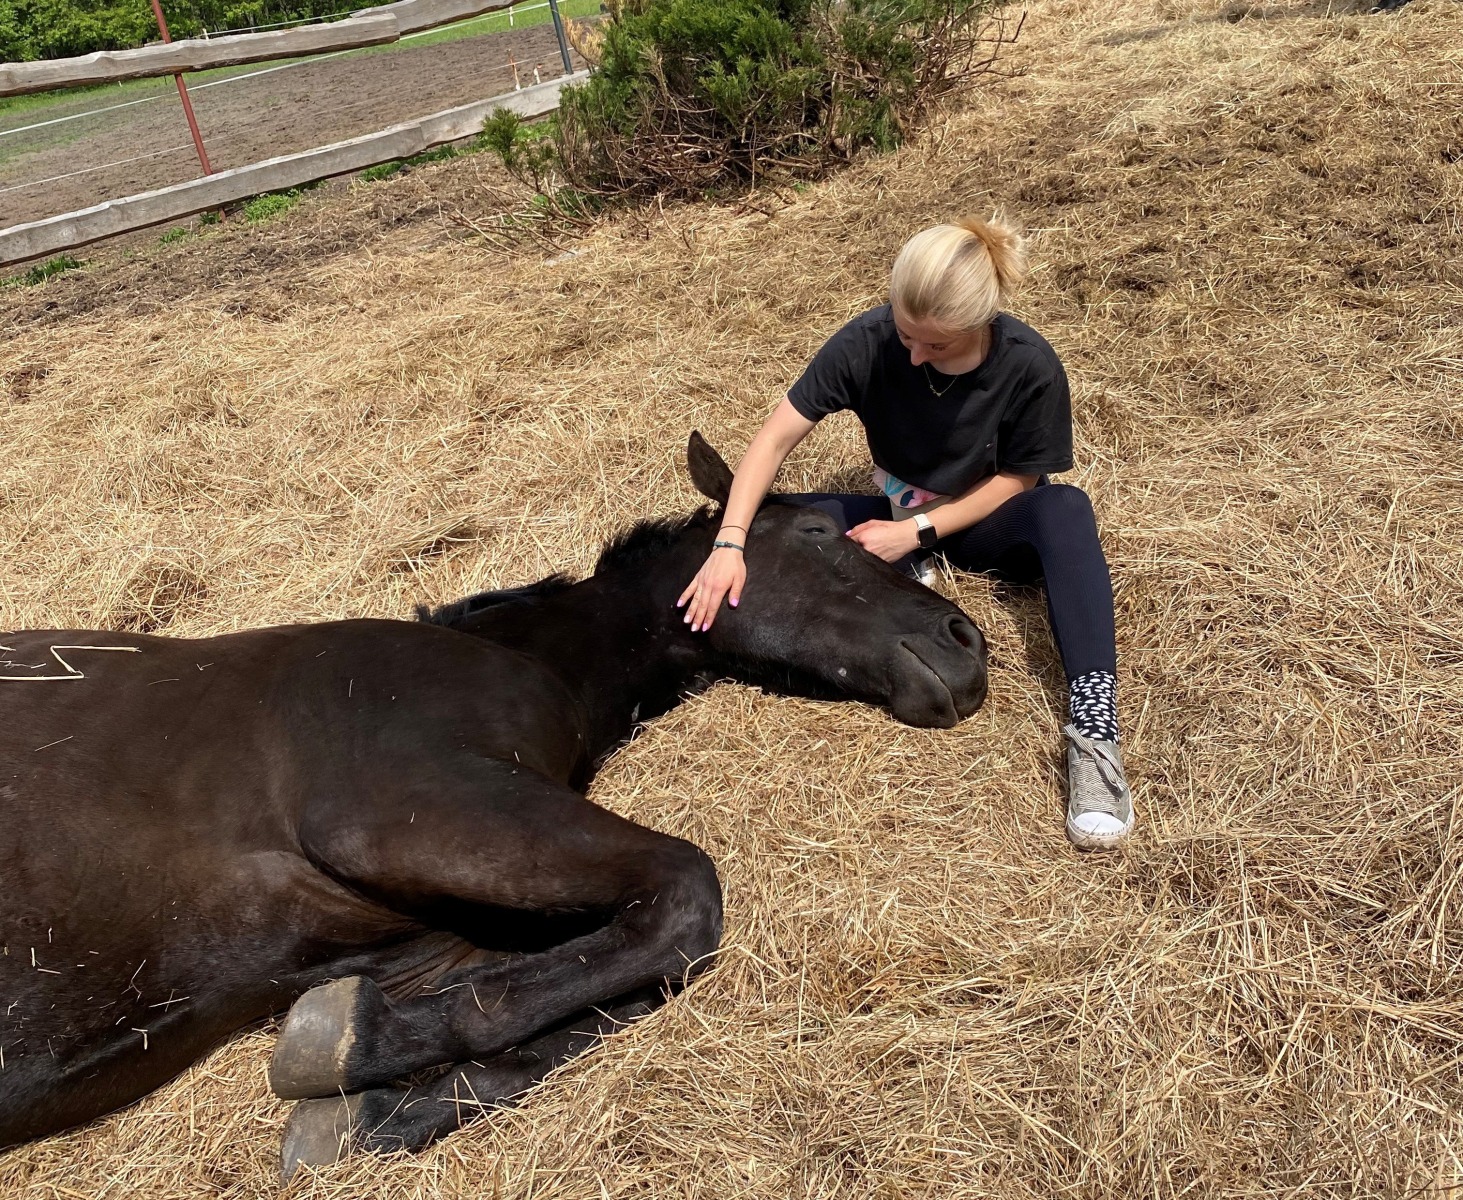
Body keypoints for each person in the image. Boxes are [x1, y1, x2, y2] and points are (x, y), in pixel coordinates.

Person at [676, 215, 1133, 850]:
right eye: (904, 333)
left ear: (979, 326)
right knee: (780, 522)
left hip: (979, 519)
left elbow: (1019, 480)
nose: (913, 354)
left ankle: (1094, 729)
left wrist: (916, 533)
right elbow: (777, 435)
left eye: (935, 345)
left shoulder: (1030, 366)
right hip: (893, 507)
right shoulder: (868, 338)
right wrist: (730, 540)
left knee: (1067, 511)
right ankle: (773, 526)